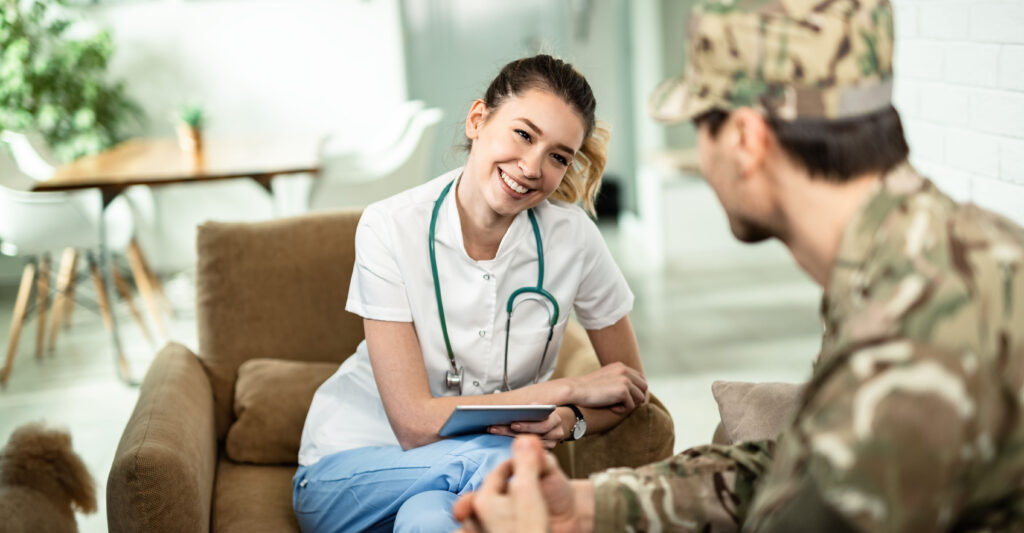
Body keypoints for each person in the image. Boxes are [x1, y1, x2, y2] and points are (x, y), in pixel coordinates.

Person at [453, 0, 1024, 531]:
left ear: (747, 139)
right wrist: (586, 506)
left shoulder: (919, 327)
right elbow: (805, 466)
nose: (702, 157)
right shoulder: (902, 262)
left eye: (702, 127)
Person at [293, 54, 650, 533]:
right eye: (523, 134)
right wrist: (565, 391)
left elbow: (628, 387)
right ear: (478, 120)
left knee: (429, 520)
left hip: (458, 488)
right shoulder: (389, 226)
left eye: (558, 156)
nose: (531, 167)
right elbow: (415, 425)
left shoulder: (574, 239)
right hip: (350, 470)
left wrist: (571, 420)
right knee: (502, 458)